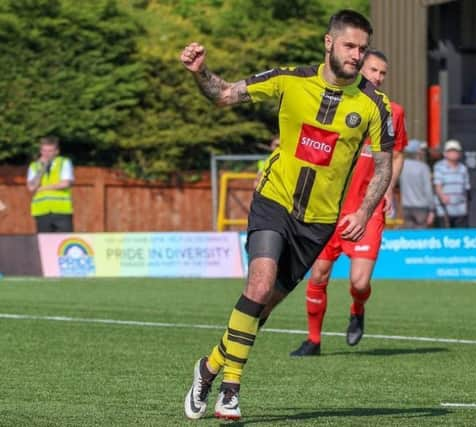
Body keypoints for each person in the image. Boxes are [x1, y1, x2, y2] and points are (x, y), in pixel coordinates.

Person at [180, 9, 394, 421]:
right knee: (257, 287)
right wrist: (200, 71)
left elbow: (384, 166)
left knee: (261, 310)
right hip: (274, 201)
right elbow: (224, 94)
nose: (356, 55)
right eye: (350, 46)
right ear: (329, 43)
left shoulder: (373, 104)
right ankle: (230, 390)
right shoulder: (290, 80)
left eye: (362, 49)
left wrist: (365, 211)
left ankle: (208, 368)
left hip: (317, 223)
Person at [289, 49, 407, 357]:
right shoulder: (336, 104)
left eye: (383, 72)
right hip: (330, 207)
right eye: (373, 70)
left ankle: (358, 307)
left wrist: (389, 189)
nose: (378, 77)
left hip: (367, 210)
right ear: (359, 68)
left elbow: (398, 153)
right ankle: (313, 340)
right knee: (318, 275)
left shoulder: (392, 111)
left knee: (359, 281)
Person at [26, 136, 74, 232]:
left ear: (56, 151)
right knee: (45, 244)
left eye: (50, 151)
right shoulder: (34, 166)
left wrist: (43, 188)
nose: (47, 154)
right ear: (40, 151)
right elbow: (31, 187)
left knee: (63, 242)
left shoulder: (64, 162)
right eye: (44, 151)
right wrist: (42, 168)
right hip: (42, 211)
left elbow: (65, 183)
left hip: (62, 211)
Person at [433, 139, 470, 228]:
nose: (453, 153)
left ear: (459, 154)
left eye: (455, 151)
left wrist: (466, 206)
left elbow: (466, 189)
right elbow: (437, 185)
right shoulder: (439, 167)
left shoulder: (463, 169)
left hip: (460, 210)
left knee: (460, 236)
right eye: (450, 151)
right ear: (445, 153)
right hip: (444, 211)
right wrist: (442, 196)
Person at [400, 139, 435, 229]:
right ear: (417, 151)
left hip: (406, 206)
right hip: (421, 207)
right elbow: (428, 190)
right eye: (421, 149)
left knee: (409, 237)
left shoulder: (402, 166)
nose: (423, 152)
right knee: (421, 236)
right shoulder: (423, 168)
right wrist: (432, 209)